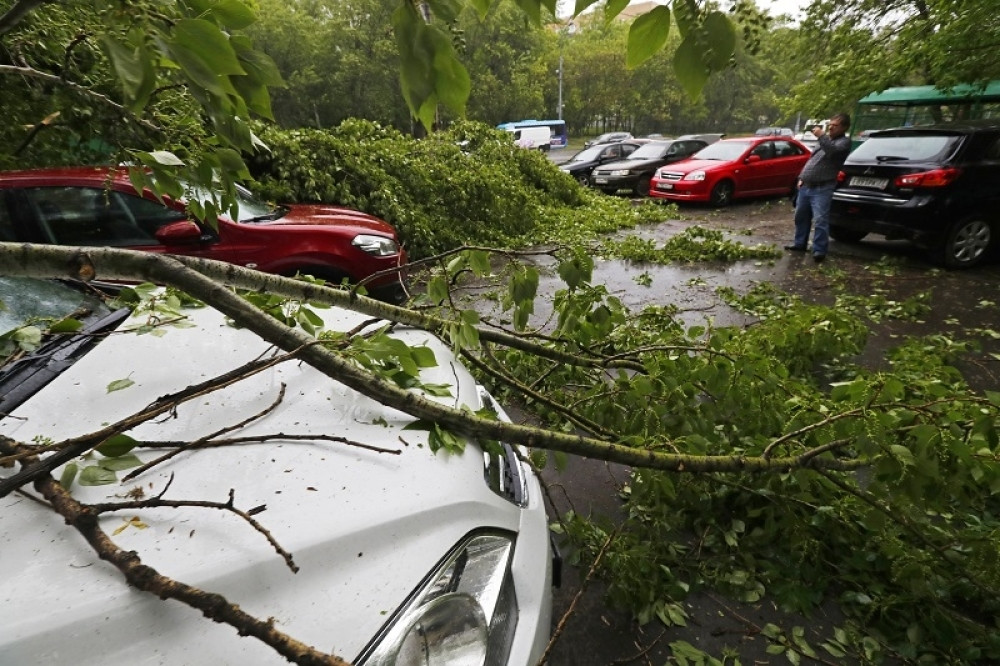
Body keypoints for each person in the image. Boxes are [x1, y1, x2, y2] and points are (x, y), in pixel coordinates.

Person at [785, 113, 852, 263]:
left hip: (823, 187)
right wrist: (802, 177)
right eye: (830, 125)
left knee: (820, 219)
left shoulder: (844, 143)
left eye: (835, 126)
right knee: (801, 216)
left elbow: (832, 151)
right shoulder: (825, 141)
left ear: (844, 127)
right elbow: (812, 160)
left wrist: (822, 136)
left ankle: (819, 250)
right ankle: (799, 243)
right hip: (806, 185)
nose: (831, 128)